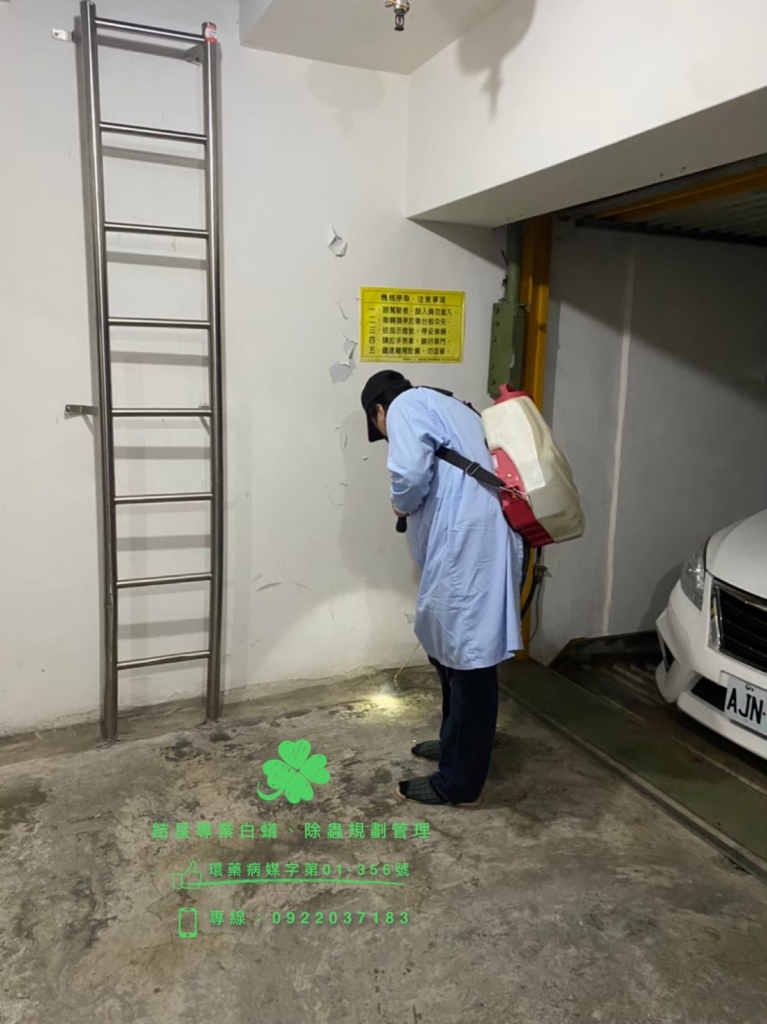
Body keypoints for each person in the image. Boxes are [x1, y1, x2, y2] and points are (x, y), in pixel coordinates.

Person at [360, 370, 524, 806]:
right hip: (474, 542)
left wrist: (399, 504)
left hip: (467, 547)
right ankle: (458, 741)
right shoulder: (451, 404)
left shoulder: (404, 406)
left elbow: (410, 475)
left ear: (379, 410)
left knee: (468, 660)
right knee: (449, 651)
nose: (386, 433)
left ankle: (459, 783)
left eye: (379, 427)